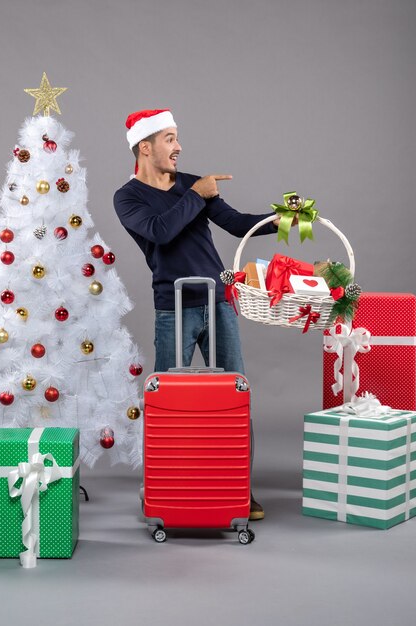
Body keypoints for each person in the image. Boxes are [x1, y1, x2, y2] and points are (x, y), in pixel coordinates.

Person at [113, 109, 280, 520]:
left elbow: (238, 224)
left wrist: (283, 218)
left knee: (236, 396)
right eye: (170, 139)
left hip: (219, 303)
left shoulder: (192, 185)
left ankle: (241, 488)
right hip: (173, 309)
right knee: (168, 402)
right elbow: (159, 231)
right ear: (145, 147)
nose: (179, 146)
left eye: (177, 138)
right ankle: (166, 486)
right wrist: (197, 194)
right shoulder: (127, 197)